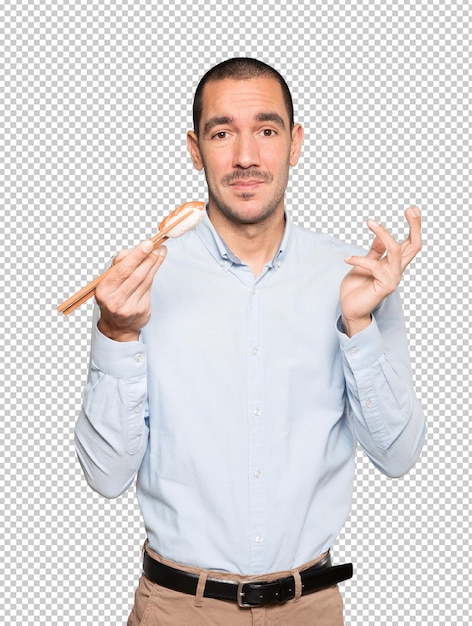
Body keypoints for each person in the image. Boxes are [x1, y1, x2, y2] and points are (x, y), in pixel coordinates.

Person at [75, 57, 426, 626]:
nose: (245, 157)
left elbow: (398, 455)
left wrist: (358, 328)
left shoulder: (356, 278)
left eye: (267, 130)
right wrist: (116, 334)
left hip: (309, 609)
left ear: (295, 143)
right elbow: (105, 476)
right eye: (222, 133)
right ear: (195, 149)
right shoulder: (141, 282)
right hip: (176, 610)